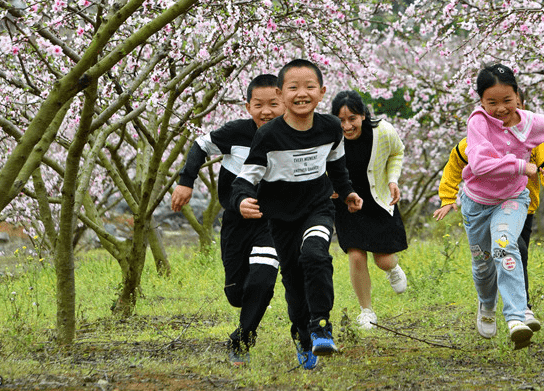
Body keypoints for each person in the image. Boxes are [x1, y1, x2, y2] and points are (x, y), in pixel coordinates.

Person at [231, 59, 363, 370]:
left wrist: (347, 194)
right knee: (293, 282)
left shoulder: (331, 128)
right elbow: (246, 178)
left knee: (315, 256)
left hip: (317, 208)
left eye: (309, 87)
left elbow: (337, 167)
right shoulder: (269, 136)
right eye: (293, 87)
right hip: (280, 219)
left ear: (322, 92)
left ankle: (321, 327)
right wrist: (241, 201)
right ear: (280, 93)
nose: (301, 93)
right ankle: (304, 337)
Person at [449, 64, 544, 349]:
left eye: (507, 100)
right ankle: (487, 305)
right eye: (492, 102)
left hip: (512, 199)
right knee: (482, 265)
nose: (501, 109)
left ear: (518, 95)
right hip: (477, 203)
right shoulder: (478, 123)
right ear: (480, 101)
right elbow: (479, 165)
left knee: (505, 246)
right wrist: (520, 165)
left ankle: (517, 316)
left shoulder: (531, 123)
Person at [171, 74, 284, 367]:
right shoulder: (235, 133)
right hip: (235, 222)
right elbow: (200, 145)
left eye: (274, 104)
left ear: (284, 103)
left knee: (261, 279)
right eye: (259, 104)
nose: (266, 111)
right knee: (237, 294)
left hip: (272, 223)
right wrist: (186, 181)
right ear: (248, 107)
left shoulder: (293, 136)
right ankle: (250, 305)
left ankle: (243, 339)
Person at [330, 90, 409, 330]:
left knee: (383, 260)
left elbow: (397, 153)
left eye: (352, 118)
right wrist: (329, 186)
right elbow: (318, 163)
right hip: (346, 202)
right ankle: (367, 311)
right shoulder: (329, 136)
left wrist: (393, 180)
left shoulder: (383, 131)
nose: (346, 125)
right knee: (355, 255)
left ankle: (392, 269)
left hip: (377, 198)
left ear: (363, 115)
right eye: (341, 120)